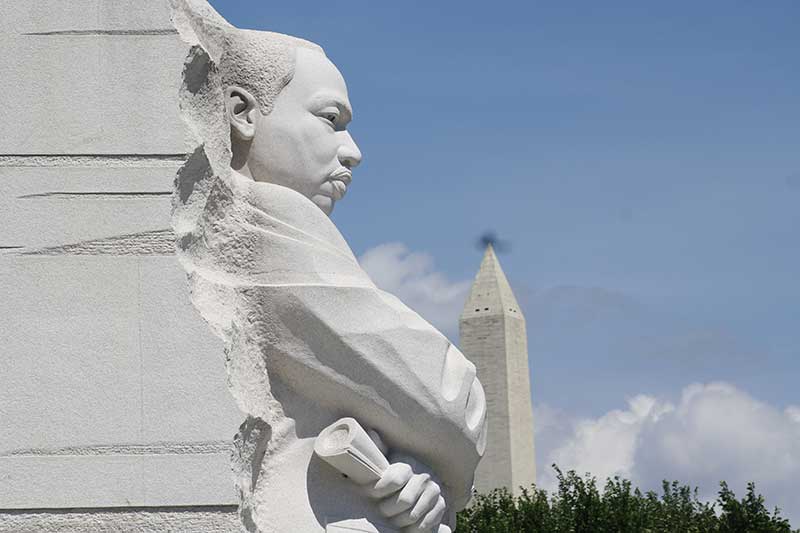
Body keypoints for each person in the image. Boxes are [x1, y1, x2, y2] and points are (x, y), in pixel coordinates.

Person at [170, 2, 487, 531]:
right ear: (242, 113)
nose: (352, 151)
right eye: (330, 120)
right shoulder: (268, 226)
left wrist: (417, 471)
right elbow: (451, 405)